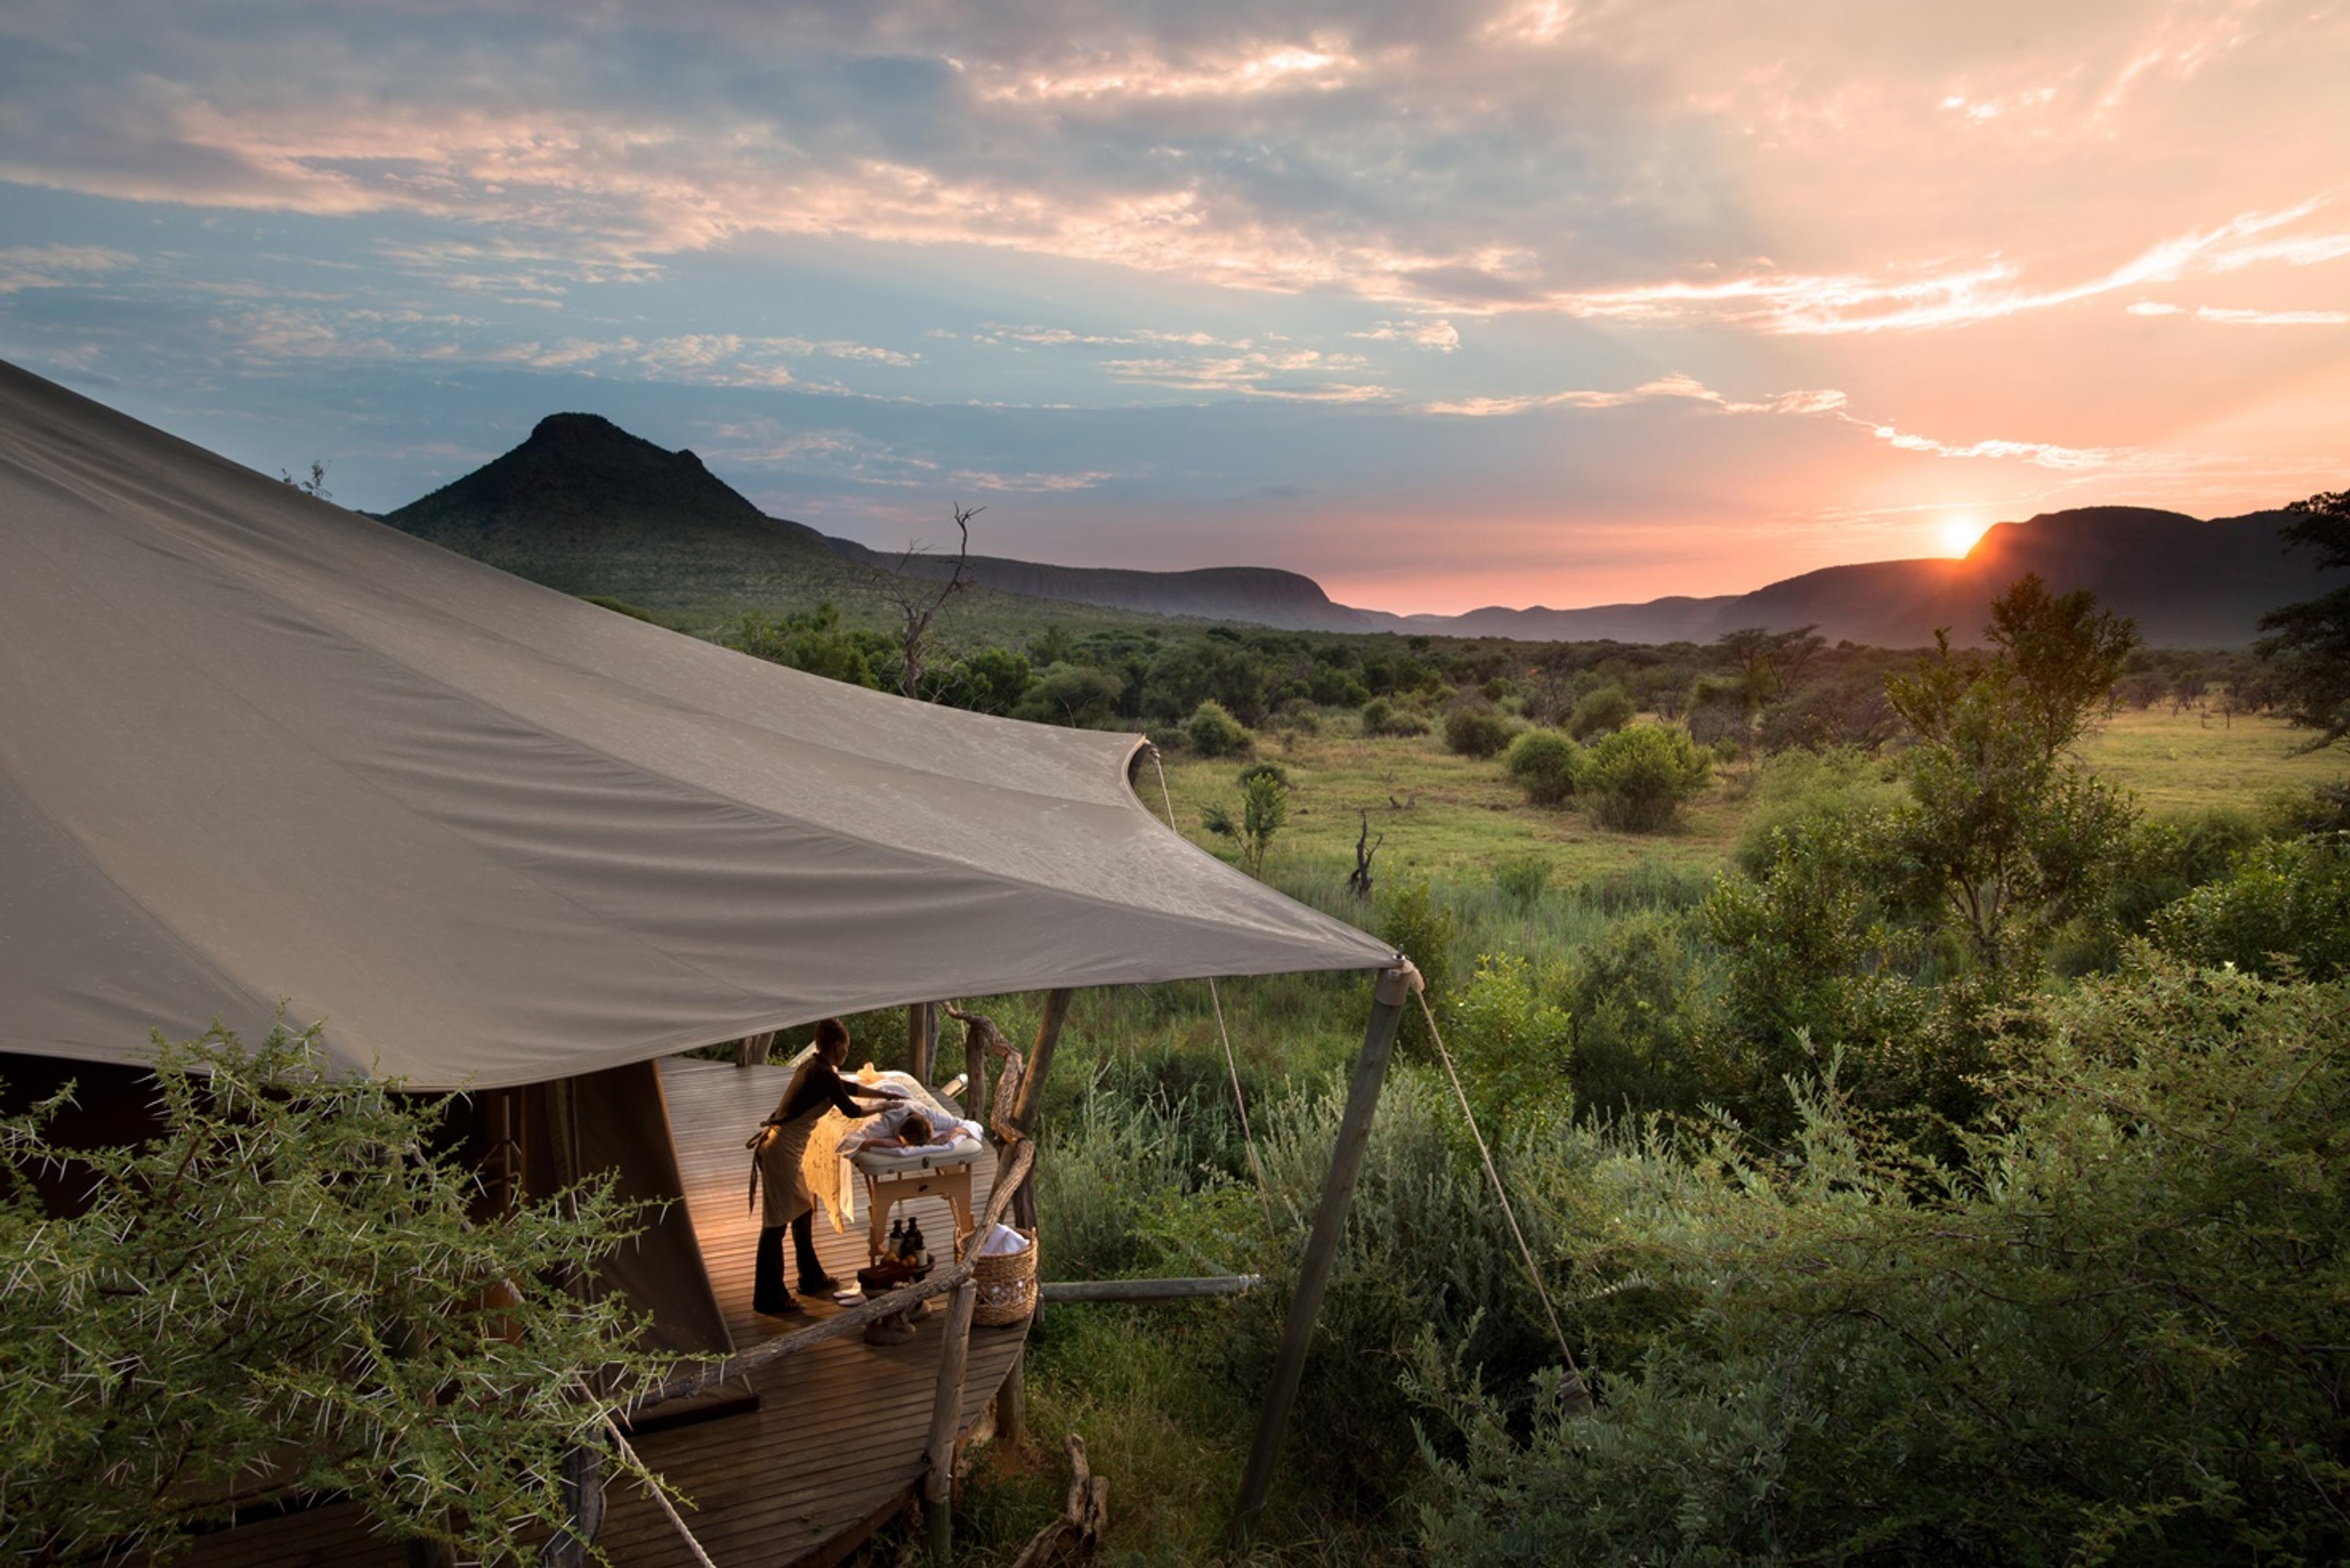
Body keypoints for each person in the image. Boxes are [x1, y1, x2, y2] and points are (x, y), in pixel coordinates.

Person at [747, 1018, 900, 1316]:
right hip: (781, 1151)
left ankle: (811, 1278)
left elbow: (847, 1087)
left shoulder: (815, 1067)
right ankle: (768, 1297)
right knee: (775, 1225)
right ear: (838, 1046)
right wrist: (886, 1108)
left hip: (784, 1149)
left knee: (803, 1212)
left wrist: (884, 1095)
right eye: (846, 1047)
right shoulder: (820, 1073)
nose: (846, 1052)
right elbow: (851, 1109)